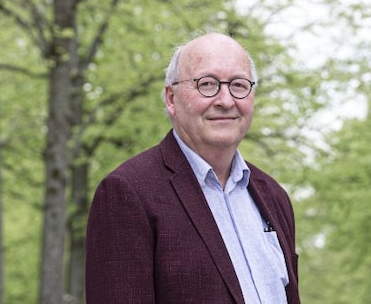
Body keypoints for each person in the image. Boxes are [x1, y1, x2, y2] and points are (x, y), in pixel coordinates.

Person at [86, 32, 300, 304]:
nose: (225, 100)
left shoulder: (274, 197)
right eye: (207, 84)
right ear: (171, 98)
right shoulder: (128, 194)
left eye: (238, 85)